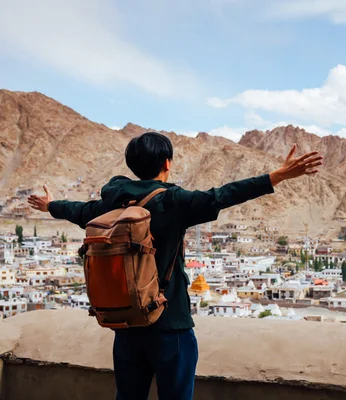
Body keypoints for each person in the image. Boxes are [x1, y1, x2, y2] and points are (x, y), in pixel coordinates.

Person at [27, 132, 323, 400]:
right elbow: (223, 195)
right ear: (167, 162)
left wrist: (49, 205)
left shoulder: (109, 204)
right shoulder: (172, 202)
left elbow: (77, 210)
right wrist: (278, 176)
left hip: (126, 324)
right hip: (170, 325)